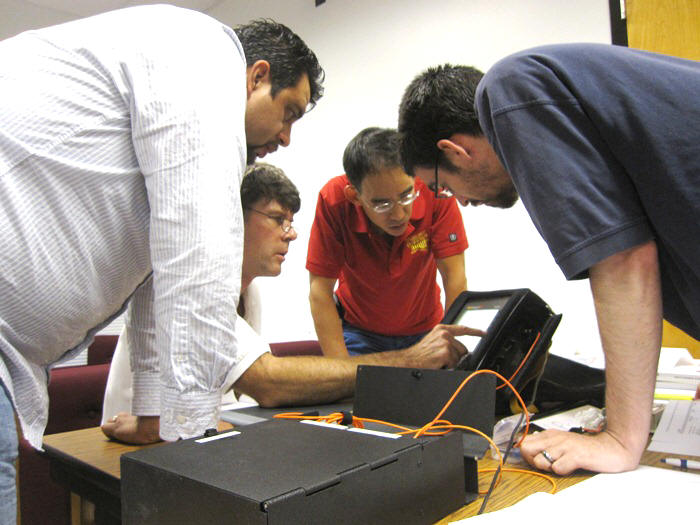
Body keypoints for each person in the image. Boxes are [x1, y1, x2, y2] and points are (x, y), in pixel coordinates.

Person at [0, 5, 324, 519]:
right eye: (289, 113)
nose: (286, 137)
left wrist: (156, 415)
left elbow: (161, 266)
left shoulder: (174, 71)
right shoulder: (205, 58)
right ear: (256, 76)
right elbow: (195, 259)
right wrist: (195, 438)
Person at [397, 43, 700, 475]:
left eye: (441, 186)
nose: (459, 202)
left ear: (456, 150)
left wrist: (620, 438)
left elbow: (623, 258)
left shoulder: (511, 88)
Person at [102, 163, 472, 443]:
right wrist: (409, 361)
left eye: (291, 221)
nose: (292, 233)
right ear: (232, 218)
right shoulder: (197, 284)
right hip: (142, 445)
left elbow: (242, 392)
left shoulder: (251, 294)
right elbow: (267, 383)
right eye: (279, 219)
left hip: (205, 432)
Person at [307, 127, 473, 359]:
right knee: (354, 393)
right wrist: (341, 370)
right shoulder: (334, 201)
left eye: (406, 196)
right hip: (360, 333)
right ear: (354, 196)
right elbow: (319, 292)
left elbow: (454, 276)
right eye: (382, 204)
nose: (398, 215)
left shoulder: (433, 191)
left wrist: (450, 344)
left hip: (427, 331)